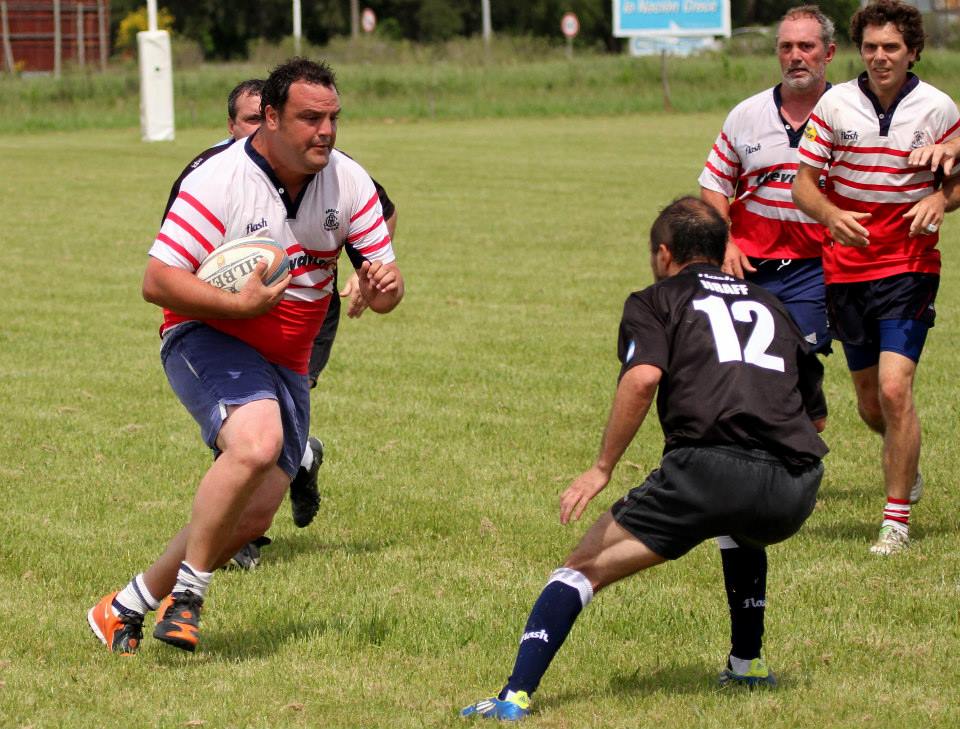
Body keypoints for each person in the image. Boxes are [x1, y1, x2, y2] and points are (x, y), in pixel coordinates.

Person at [461, 197, 827, 721]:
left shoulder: (656, 299)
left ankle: (513, 697)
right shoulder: (773, 304)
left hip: (708, 472)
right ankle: (747, 664)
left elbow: (643, 377)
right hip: (794, 487)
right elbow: (816, 418)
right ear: (722, 250)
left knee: (580, 568)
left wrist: (602, 467)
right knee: (739, 526)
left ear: (663, 254)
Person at [87, 58, 404, 655]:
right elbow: (156, 280)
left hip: (289, 358)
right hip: (207, 334)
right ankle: (186, 599)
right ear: (271, 119)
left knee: (254, 516)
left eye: (333, 117)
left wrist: (386, 289)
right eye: (311, 118)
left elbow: (383, 283)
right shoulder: (218, 179)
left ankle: (122, 606)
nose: (326, 131)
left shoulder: (349, 181)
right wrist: (236, 304)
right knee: (255, 443)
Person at [792, 0, 960, 555]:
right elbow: (803, 185)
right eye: (871, 47)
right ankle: (902, 455)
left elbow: (958, 178)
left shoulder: (938, 107)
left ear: (913, 51)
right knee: (870, 405)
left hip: (909, 266)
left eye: (891, 47)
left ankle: (895, 519)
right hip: (845, 270)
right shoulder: (836, 104)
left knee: (894, 388)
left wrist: (941, 197)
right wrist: (831, 216)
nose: (880, 57)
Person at [214, 78, 400, 568]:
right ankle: (300, 461)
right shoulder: (216, 173)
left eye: (262, 118)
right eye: (248, 120)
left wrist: (367, 272)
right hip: (234, 312)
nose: (255, 128)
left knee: (262, 415)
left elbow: (383, 212)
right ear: (233, 125)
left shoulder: (333, 172)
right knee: (248, 419)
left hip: (308, 308)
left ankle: (242, 539)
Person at [698, 5, 834, 676]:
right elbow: (711, 187)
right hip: (750, 266)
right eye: (786, 45)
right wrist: (723, 240)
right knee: (755, 369)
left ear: (829, 55)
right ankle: (785, 449)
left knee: (798, 362)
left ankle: (799, 443)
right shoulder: (746, 116)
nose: (795, 54)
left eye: (807, 45)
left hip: (819, 269)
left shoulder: (848, 116)